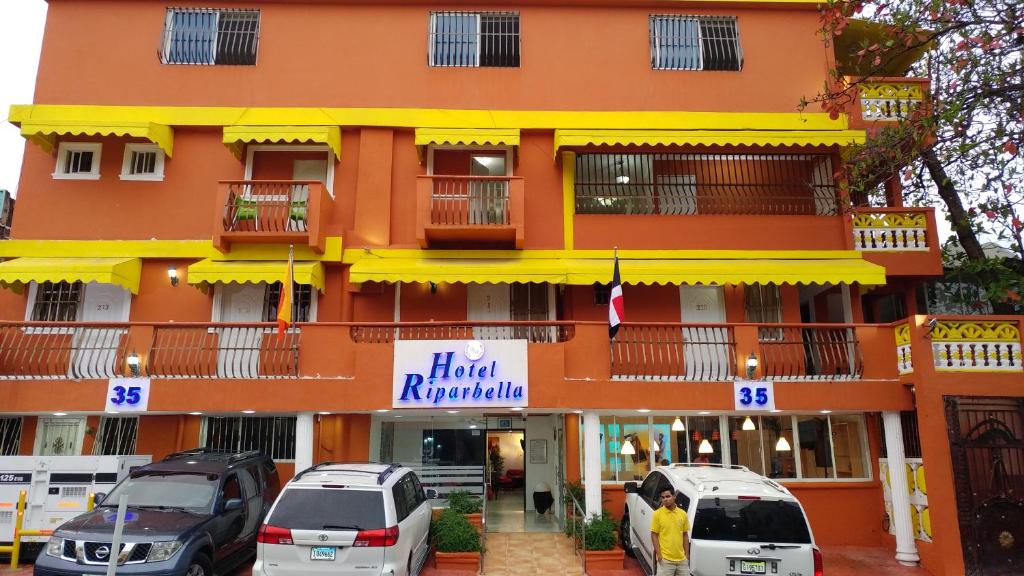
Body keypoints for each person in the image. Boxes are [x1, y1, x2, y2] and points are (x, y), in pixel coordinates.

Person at [650, 487, 689, 576]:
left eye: (668, 496)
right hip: (665, 560)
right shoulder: (657, 514)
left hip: (682, 561)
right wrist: (659, 555)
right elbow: (654, 535)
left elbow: (685, 535)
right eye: (663, 497)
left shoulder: (683, 514)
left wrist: (687, 556)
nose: (665, 499)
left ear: (674, 496)